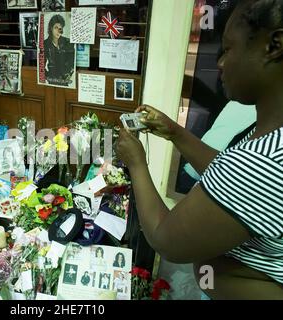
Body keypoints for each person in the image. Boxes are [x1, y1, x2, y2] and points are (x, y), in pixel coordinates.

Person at [116, 0, 283, 299]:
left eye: (228, 49)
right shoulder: (270, 142)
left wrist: (136, 163)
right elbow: (228, 174)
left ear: (274, 45)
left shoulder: (264, 163)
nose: (219, 62)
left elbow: (164, 238)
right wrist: (175, 132)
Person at [44, 14, 75, 87]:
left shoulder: (67, 42)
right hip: (52, 80)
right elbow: (41, 64)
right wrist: (48, 76)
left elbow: (72, 61)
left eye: (60, 28)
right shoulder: (45, 43)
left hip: (65, 80)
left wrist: (69, 74)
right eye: (56, 28)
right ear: (51, 28)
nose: (58, 31)